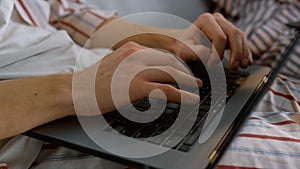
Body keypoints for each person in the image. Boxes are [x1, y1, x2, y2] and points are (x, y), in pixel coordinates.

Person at [0, 0, 252, 169]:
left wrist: (175, 40)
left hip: (112, 80)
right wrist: (80, 88)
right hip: (43, 128)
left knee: (253, 99)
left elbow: (65, 14)